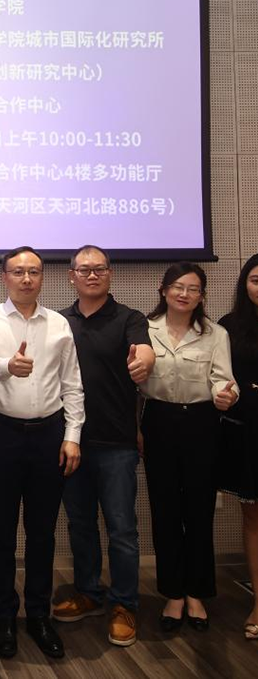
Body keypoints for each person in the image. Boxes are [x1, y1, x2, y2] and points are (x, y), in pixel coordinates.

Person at [0, 246, 84, 660]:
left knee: (42, 530)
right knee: (1, 530)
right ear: (4, 277)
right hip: (0, 432)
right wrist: (8, 366)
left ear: (42, 277)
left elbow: (72, 384)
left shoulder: (58, 324)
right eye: (18, 271)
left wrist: (72, 435)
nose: (26, 278)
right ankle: (4, 614)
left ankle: (38, 614)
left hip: (49, 434)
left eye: (33, 272)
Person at [54, 245, 154, 647]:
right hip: (71, 441)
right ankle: (89, 593)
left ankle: (124, 604)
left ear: (110, 273)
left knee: (122, 529)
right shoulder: (59, 322)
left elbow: (143, 352)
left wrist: (144, 361)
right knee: (80, 524)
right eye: (84, 269)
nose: (92, 275)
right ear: (71, 276)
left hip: (117, 442)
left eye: (99, 269)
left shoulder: (130, 318)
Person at [139, 262, 238, 632]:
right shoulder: (144, 330)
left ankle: (197, 592)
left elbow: (223, 380)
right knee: (164, 509)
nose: (184, 294)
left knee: (199, 510)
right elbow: (134, 386)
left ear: (201, 296)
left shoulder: (216, 333)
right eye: (178, 287)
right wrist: (135, 429)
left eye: (193, 289)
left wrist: (226, 395)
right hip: (158, 421)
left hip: (202, 423)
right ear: (163, 290)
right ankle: (173, 594)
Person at [218, 254, 258, 639]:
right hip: (248, 433)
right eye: (256, 280)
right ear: (245, 284)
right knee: (254, 518)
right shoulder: (228, 326)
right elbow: (222, 379)